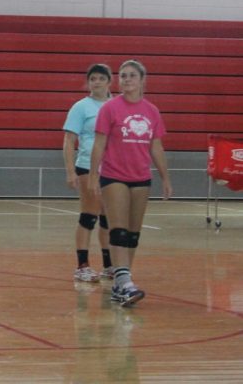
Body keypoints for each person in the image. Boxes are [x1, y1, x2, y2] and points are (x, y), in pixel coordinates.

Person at [89, 59, 172, 307]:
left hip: (141, 178)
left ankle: (122, 282)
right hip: (114, 176)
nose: (126, 80)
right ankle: (124, 281)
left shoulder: (152, 111)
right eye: (123, 76)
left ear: (142, 80)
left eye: (131, 76)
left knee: (133, 235)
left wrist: (165, 177)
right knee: (119, 230)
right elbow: (99, 143)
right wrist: (94, 174)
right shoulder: (110, 108)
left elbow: (156, 146)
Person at [62, 64, 114, 283]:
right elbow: (68, 140)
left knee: (108, 218)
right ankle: (82, 266)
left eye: (101, 78)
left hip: (113, 168)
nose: (97, 82)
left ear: (109, 81)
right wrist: (71, 171)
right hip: (87, 167)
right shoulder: (81, 107)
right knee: (88, 215)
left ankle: (109, 265)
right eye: (93, 78)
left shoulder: (116, 105)